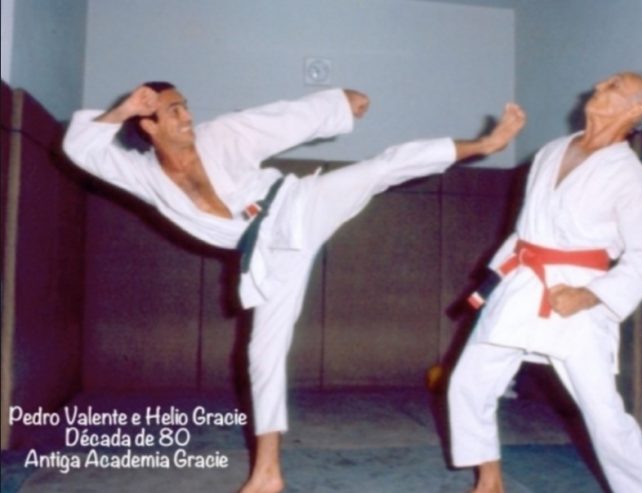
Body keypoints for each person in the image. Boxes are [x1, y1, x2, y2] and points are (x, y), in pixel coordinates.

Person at [63, 82, 525, 493]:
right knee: (262, 356)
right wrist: (121, 110)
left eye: (185, 105)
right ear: (148, 125)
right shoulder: (141, 173)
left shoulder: (220, 136)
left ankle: (486, 143)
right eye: (174, 110)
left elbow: (279, 120)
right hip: (268, 256)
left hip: (294, 206)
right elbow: (80, 147)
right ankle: (267, 475)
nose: (187, 116)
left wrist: (337, 105)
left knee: (381, 167)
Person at [447, 71, 642, 493]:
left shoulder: (629, 175)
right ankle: (489, 481)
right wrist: (492, 281)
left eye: (614, 87)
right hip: (521, 284)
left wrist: (589, 296)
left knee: (602, 413)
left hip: (575, 295)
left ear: (635, 111)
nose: (599, 86)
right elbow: (525, 231)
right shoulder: (551, 152)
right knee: (468, 383)